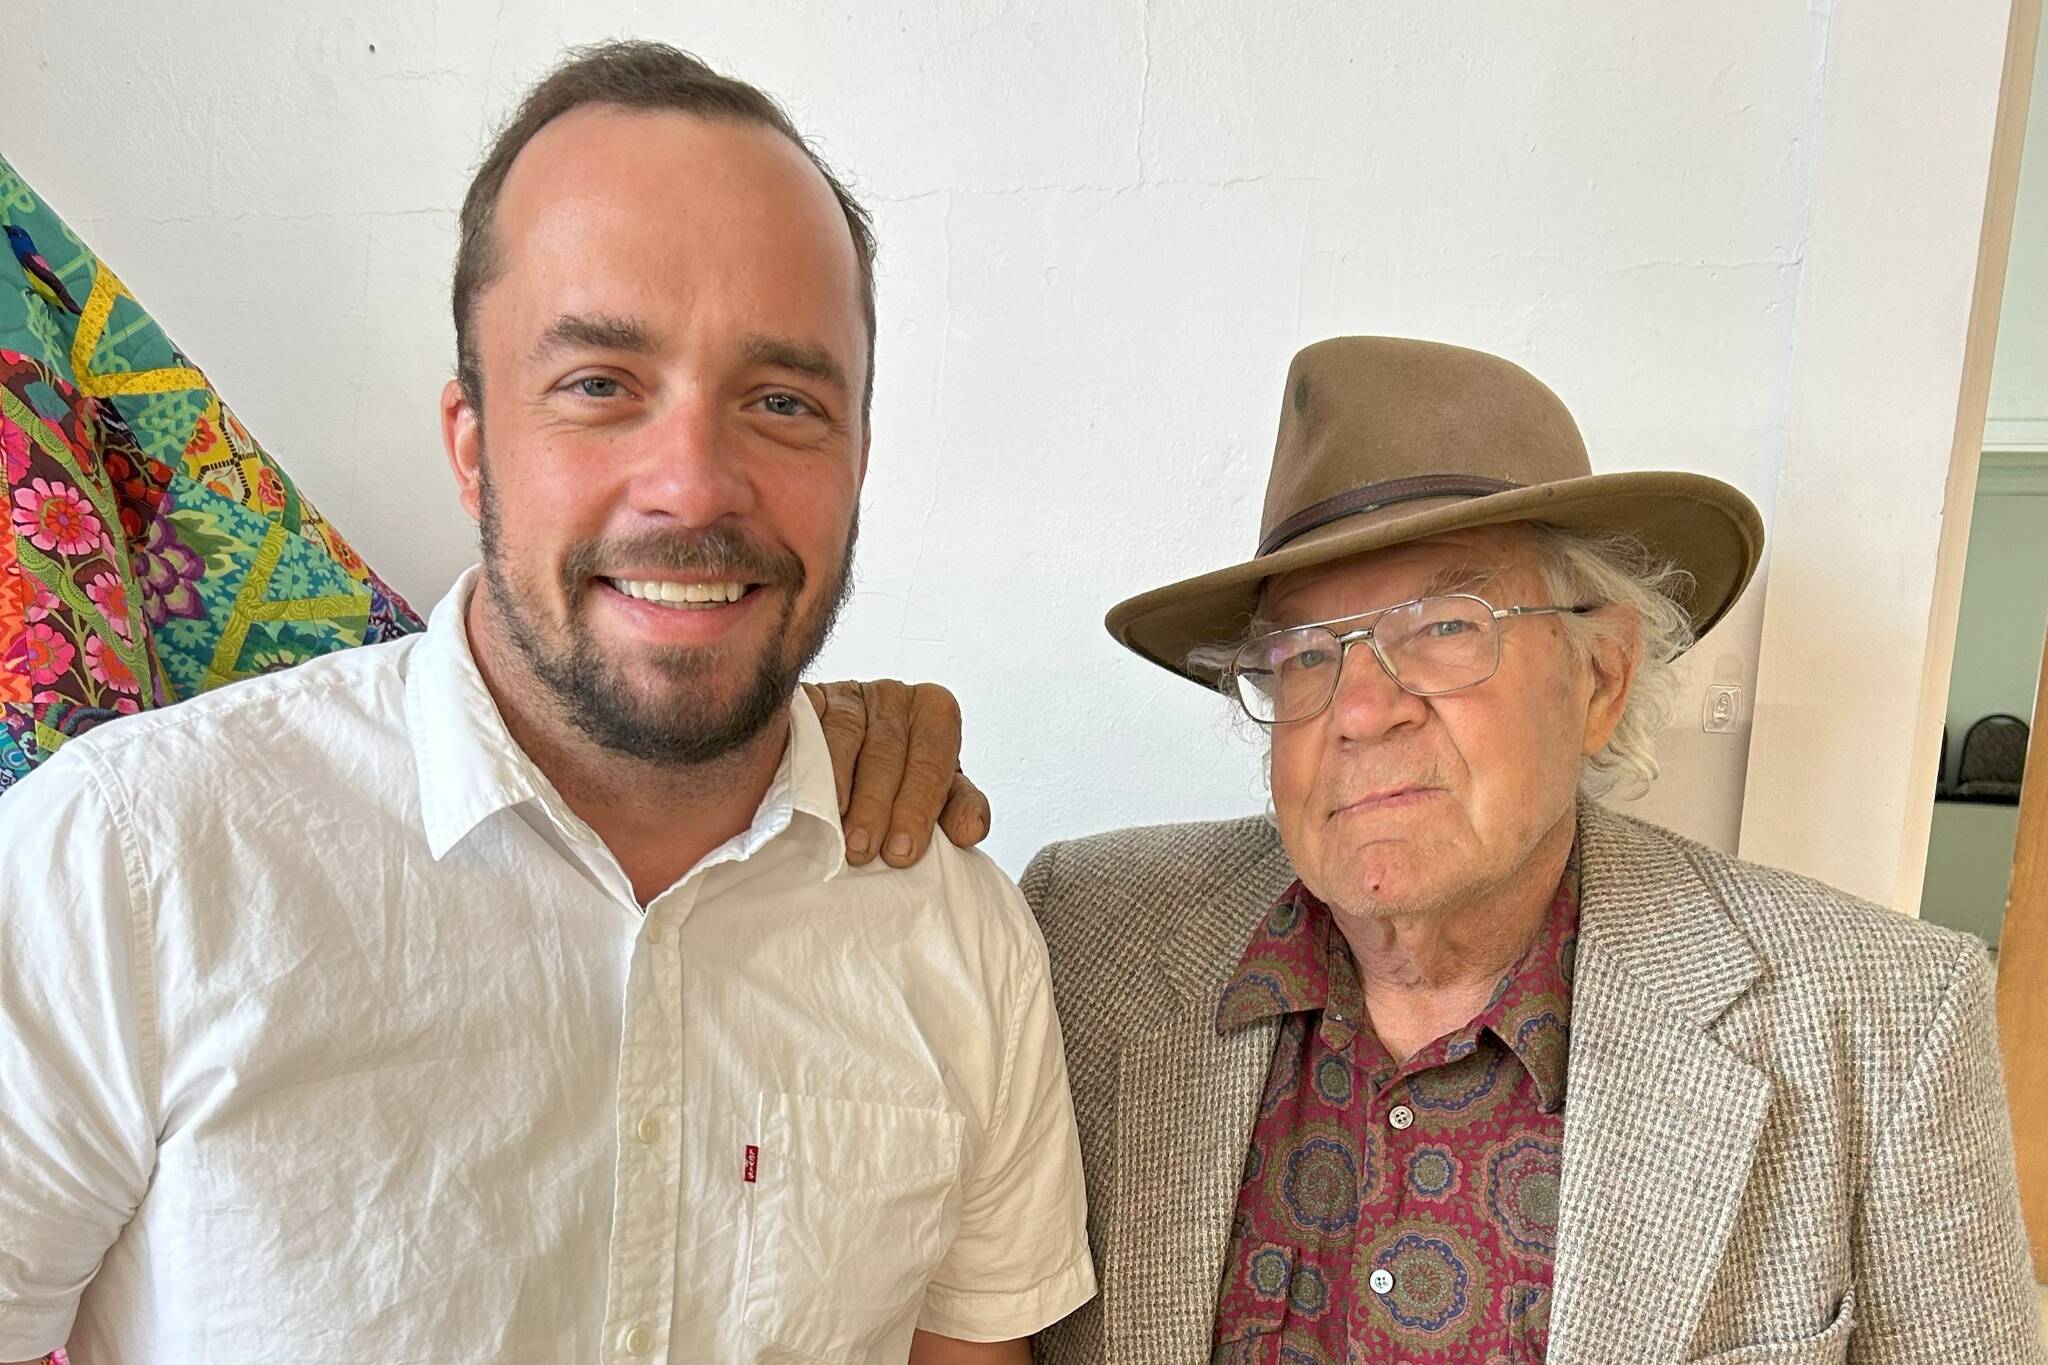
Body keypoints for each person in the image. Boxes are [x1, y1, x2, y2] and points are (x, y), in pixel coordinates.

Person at [0, 42, 1091, 1364]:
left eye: (781, 401)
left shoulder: (955, 930)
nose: (692, 484)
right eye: (599, 387)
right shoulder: (126, 863)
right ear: (473, 444)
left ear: (859, 458)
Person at [851, 336, 2043, 1361]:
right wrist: (816, 747)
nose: (1361, 708)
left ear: (1598, 679)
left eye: (1442, 627)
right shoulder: (1085, 930)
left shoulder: (1881, 1024)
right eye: (1305, 654)